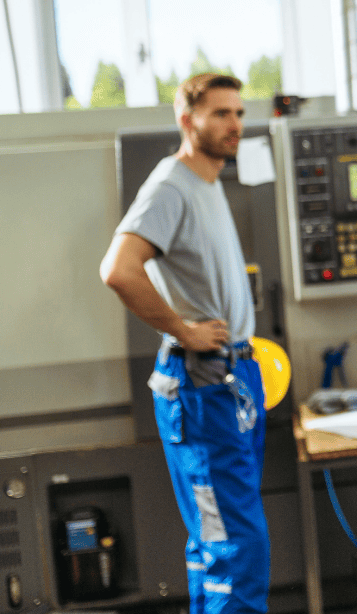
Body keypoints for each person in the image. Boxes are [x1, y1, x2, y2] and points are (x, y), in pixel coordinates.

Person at [100, 73, 268, 614]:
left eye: (239, 113)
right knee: (236, 549)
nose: (234, 125)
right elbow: (119, 270)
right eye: (220, 113)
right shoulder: (171, 184)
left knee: (216, 542)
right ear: (186, 119)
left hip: (233, 376)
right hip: (203, 384)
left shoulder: (208, 182)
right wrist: (184, 329)